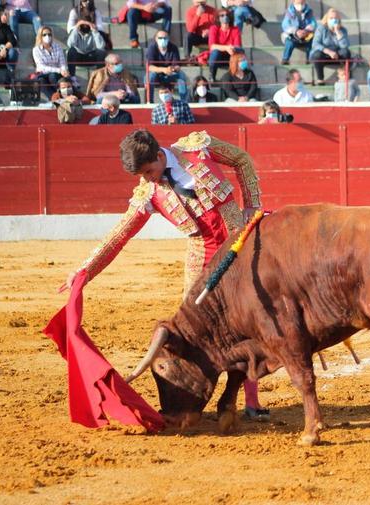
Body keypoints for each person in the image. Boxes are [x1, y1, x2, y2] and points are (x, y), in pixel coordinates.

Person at [60, 129, 267, 421]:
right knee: (197, 328)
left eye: (149, 171)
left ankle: (252, 401)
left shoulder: (198, 148)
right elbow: (119, 236)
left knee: (250, 317)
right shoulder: (148, 194)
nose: (147, 179)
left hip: (239, 240)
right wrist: (85, 270)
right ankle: (192, 398)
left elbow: (243, 160)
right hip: (202, 254)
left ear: (159, 156)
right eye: (142, 176)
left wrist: (252, 207)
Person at [66, 1, 108, 77]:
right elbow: (70, 44)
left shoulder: (93, 31)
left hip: (90, 56)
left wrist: (94, 30)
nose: (85, 25)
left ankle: (100, 77)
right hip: (78, 56)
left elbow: (101, 46)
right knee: (71, 51)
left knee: (101, 52)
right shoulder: (76, 30)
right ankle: (72, 78)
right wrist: (76, 27)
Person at [309, 8, 350, 86]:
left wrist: (338, 32)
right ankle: (320, 79)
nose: (334, 20)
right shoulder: (321, 28)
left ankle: (344, 76)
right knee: (317, 54)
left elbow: (345, 46)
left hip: (336, 56)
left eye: (336, 18)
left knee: (346, 52)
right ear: (327, 19)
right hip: (323, 55)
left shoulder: (343, 30)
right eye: (331, 18)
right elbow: (315, 44)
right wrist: (328, 51)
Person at [146, 30, 188, 102]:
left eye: (165, 38)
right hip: (157, 76)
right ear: (156, 39)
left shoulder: (173, 47)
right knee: (150, 76)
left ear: (168, 39)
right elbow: (150, 67)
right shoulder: (152, 48)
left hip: (170, 74)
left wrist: (172, 69)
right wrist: (163, 69)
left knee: (181, 75)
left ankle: (184, 101)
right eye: (160, 38)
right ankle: (150, 101)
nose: (163, 40)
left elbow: (177, 66)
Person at [33, 26, 70, 99]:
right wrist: (59, 70)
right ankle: (54, 98)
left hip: (56, 75)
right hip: (43, 74)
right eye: (44, 35)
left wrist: (64, 70)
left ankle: (60, 96)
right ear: (40, 36)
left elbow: (62, 62)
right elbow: (41, 67)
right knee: (40, 81)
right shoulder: (36, 50)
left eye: (49, 34)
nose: (47, 36)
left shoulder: (57, 47)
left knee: (52, 76)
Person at [208, 8, 242, 81]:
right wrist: (226, 48)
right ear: (218, 18)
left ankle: (236, 77)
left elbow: (238, 46)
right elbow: (212, 46)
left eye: (227, 15)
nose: (225, 17)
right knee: (215, 52)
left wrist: (232, 48)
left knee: (237, 53)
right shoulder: (213, 28)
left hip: (230, 55)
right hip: (218, 57)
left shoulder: (235, 29)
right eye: (222, 15)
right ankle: (212, 76)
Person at [280, 0, 316, 65]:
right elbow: (285, 25)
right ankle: (285, 59)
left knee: (311, 42)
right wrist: (296, 31)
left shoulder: (309, 11)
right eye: (298, 3)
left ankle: (309, 59)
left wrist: (306, 30)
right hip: (293, 36)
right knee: (289, 43)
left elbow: (313, 23)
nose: (300, 5)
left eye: (302, 3)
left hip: (306, 35)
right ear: (294, 2)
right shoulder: (289, 12)